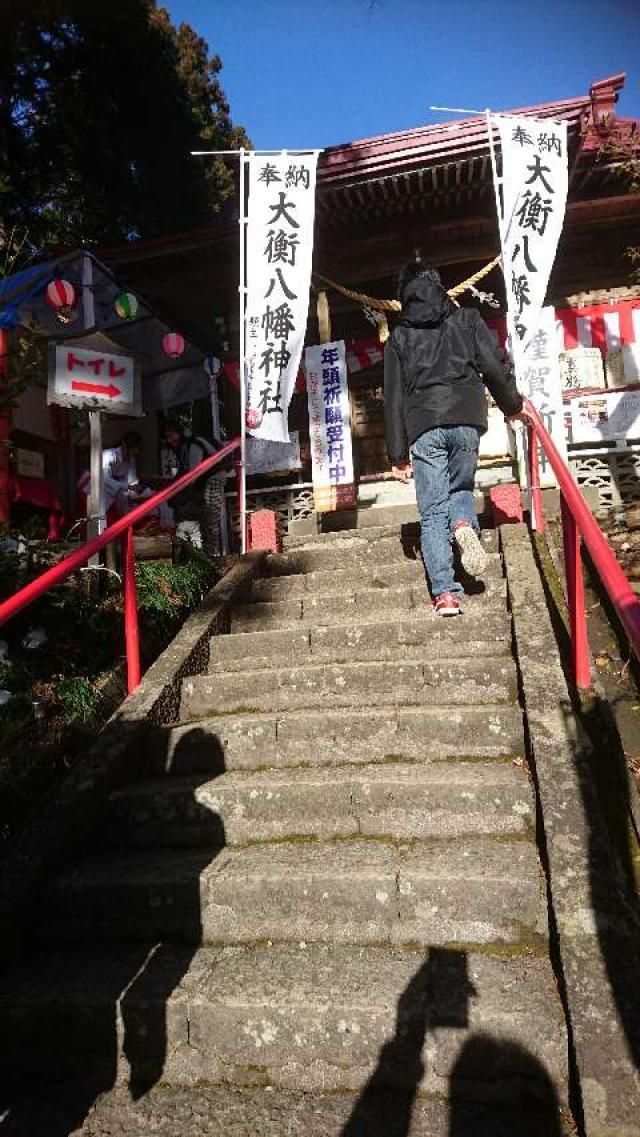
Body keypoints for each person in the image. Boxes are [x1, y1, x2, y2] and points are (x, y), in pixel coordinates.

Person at [384, 261, 524, 616]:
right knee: (461, 488)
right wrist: (512, 405)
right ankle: (463, 522)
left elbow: (395, 397)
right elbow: (494, 365)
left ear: (403, 298)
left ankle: (445, 594)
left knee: (432, 513)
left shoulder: (399, 338)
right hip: (466, 418)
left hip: (424, 426)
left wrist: (398, 454)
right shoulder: (467, 320)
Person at [162, 420, 227, 559]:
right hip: (201, 482)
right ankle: (204, 554)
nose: (170, 440)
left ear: (179, 433)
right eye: (167, 437)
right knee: (204, 518)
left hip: (212, 478)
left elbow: (193, 472)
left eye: (172, 435)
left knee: (210, 517)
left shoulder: (194, 444)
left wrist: (181, 493)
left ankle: (213, 555)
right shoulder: (182, 448)